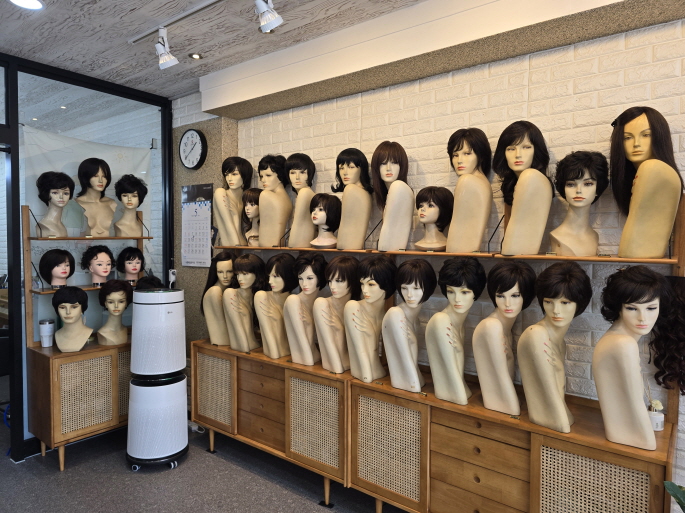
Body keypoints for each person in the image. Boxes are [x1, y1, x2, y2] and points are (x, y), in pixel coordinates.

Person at [593, 266, 672, 450]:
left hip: (622, 431)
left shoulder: (616, 338)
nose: (643, 318)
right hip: (633, 438)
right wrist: (649, 440)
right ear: (619, 308)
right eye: (631, 308)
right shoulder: (624, 345)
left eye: (651, 308)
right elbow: (635, 403)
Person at [518, 261, 592, 433]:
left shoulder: (560, 342)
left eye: (565, 303)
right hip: (550, 423)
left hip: (560, 419)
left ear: (579, 303)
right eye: (549, 302)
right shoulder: (537, 335)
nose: (556, 310)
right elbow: (549, 392)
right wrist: (564, 430)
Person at [610, 106, 683, 258]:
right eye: (627, 137)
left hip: (637, 251)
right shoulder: (648, 172)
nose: (636, 143)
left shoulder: (652, 168)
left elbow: (631, 249)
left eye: (646, 135)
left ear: (659, 137)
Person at [473, 260, 536, 414]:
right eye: (501, 296)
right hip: (501, 407)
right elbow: (500, 377)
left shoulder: (506, 327)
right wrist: (515, 411)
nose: (508, 304)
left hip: (507, 404)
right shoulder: (492, 327)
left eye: (515, 295)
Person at [425, 257, 485, 405]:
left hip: (461, 394)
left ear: (475, 292)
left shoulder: (460, 323)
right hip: (451, 399)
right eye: (451, 291)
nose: (457, 299)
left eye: (464, 292)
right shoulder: (441, 321)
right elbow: (450, 373)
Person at [493, 121, 553, 255]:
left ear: (536, 150)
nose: (518, 154)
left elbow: (513, 248)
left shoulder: (531, 178)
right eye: (511, 149)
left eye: (526, 147)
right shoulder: (514, 184)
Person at [383, 259, 437, 392]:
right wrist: (415, 388)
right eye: (404, 288)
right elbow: (405, 360)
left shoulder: (416, 320)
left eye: (416, 288)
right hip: (407, 386)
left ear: (428, 287)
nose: (409, 295)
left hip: (416, 382)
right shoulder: (396, 314)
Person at [344, 255, 396, 382]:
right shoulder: (354, 307)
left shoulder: (385, 315)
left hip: (380, 373)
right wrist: (367, 378)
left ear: (386, 284)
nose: (364, 290)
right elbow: (360, 350)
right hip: (363, 374)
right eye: (362, 283)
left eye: (371, 284)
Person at [550, 151, 609, 256]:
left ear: (598, 188)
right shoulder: (557, 236)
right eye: (571, 184)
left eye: (588, 184)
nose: (578, 190)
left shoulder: (594, 236)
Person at [445, 128, 493, 253]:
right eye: (455, 155)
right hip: (468, 251)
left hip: (459, 251)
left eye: (467, 153)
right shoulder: (484, 184)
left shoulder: (467, 181)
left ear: (480, 155)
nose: (459, 160)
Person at [314, 256, 361, 374]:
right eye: (330, 281)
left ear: (353, 280)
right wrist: (339, 372)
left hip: (353, 368)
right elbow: (328, 344)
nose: (332, 286)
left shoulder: (355, 306)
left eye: (339, 281)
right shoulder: (322, 304)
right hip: (334, 369)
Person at [284, 253, 326, 365]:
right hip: (304, 361)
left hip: (316, 358)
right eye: (300, 278)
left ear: (320, 277)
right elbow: (301, 339)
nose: (304, 284)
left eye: (310, 278)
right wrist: (310, 364)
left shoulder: (317, 303)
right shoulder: (294, 301)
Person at [371, 141, 413, 251]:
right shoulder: (389, 194)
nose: (388, 168)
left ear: (402, 166)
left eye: (394, 162)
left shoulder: (398, 188)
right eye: (383, 163)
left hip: (389, 250)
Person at [255, 253, 298, 358]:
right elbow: (268, 333)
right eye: (269, 276)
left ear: (288, 275)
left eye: (275, 276)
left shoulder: (293, 300)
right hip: (274, 356)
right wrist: (275, 358)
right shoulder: (262, 297)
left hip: (292, 355)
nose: (270, 281)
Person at [223, 253, 267, 352]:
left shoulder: (258, 296)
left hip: (255, 347)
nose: (240, 278)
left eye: (245, 274)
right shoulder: (231, 294)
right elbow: (238, 328)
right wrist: (246, 351)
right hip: (242, 349)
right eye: (238, 274)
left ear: (257, 274)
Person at [334, 148, 373, 250]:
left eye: (351, 167)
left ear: (361, 169)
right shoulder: (366, 193)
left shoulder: (351, 189)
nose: (345, 172)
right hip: (354, 246)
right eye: (341, 168)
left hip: (346, 245)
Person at [214, 156, 254, 246]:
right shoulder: (221, 193)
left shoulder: (244, 199)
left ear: (245, 175)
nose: (229, 178)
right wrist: (237, 246)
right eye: (226, 174)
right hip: (232, 246)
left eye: (234, 174)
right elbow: (228, 224)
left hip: (244, 245)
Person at [201, 251, 236, 346]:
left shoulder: (227, 291)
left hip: (230, 342)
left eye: (229, 271)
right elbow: (226, 323)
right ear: (215, 272)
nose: (225, 276)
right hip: (223, 341)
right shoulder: (215, 291)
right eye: (220, 272)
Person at [75, 158, 117, 236]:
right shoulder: (75, 204)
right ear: (85, 177)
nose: (100, 180)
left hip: (110, 243)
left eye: (104, 176)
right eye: (95, 176)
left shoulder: (112, 204)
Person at [286, 153, 317, 248]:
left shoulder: (304, 193)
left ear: (309, 174)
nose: (297, 177)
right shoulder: (307, 193)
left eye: (302, 172)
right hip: (304, 244)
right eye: (292, 173)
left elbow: (298, 224)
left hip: (298, 244)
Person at [52, 286, 92, 352]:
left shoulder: (88, 332)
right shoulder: (57, 335)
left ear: (82, 309)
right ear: (57, 310)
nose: (68, 312)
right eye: (62, 307)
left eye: (74, 307)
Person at [35, 171, 75, 237]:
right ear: (46, 194)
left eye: (66, 193)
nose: (61, 197)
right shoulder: (44, 226)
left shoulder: (61, 225)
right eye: (55, 193)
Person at [414, 186, 453, 252]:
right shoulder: (419, 243)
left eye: (430, 205)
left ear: (443, 209)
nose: (422, 209)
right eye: (421, 205)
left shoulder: (447, 244)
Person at [97, 280, 133, 346]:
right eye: (111, 302)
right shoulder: (102, 334)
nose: (116, 306)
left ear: (126, 303)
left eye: (121, 301)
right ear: (105, 304)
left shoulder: (126, 330)